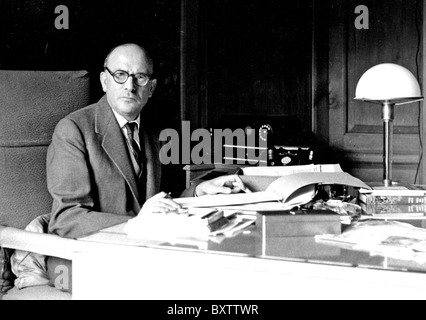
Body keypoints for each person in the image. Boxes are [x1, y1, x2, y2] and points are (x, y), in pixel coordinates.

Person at [47, 43, 247, 239]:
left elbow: (165, 199)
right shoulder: (73, 130)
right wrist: (135, 224)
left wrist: (198, 192)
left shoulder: (158, 130)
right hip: (99, 251)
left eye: (140, 77)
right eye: (120, 75)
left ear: (151, 88)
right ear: (104, 81)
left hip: (150, 247)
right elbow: (67, 219)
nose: (130, 86)